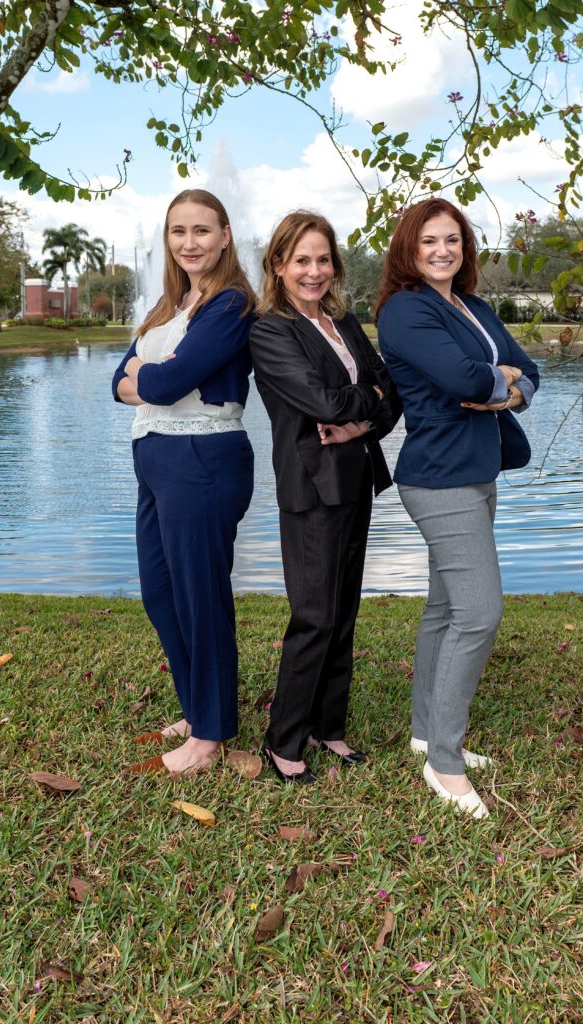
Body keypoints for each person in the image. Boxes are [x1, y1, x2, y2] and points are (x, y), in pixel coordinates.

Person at [376, 198, 539, 818]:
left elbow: (529, 371)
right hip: (438, 478)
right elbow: (467, 381)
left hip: (478, 470)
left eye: (452, 240)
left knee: (446, 609)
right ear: (409, 250)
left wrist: (507, 390)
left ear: (465, 248)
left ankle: (426, 733)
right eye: (429, 241)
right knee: (479, 612)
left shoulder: (473, 307)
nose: (442, 250)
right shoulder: (405, 310)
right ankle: (444, 763)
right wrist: (497, 381)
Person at [250, 211, 402, 784]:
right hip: (312, 487)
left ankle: (327, 726)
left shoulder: (344, 321)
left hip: (356, 477)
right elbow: (323, 403)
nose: (313, 271)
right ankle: (283, 740)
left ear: (335, 265)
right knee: (313, 616)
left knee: (343, 612)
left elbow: (393, 397)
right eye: (301, 260)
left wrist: (361, 420)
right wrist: (366, 398)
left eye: (322, 259)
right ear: (278, 266)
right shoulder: (270, 331)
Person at [111, 189, 255, 775]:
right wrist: (145, 374)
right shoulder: (169, 304)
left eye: (201, 230)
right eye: (178, 231)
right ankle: (197, 709)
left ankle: (210, 735)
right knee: (160, 592)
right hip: (154, 457)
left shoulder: (231, 304)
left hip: (203, 459)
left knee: (200, 597)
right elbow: (117, 382)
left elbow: (165, 386)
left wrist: (145, 375)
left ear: (224, 235)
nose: (189, 242)